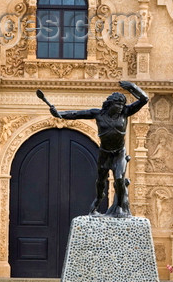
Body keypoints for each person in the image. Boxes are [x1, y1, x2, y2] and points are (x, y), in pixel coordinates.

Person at [48, 81, 149, 218]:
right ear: (110, 104)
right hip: (105, 153)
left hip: (119, 153)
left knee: (119, 179)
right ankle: (95, 206)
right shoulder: (99, 114)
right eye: (117, 105)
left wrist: (132, 87)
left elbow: (144, 99)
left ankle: (120, 209)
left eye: (121, 105)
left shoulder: (125, 112)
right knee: (101, 181)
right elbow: (77, 114)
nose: (120, 107)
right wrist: (59, 114)